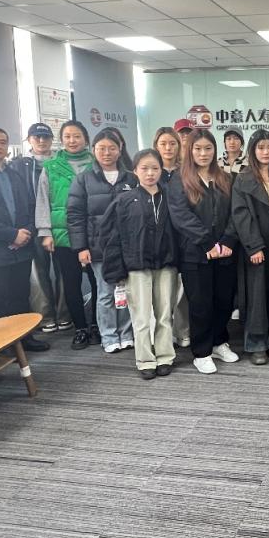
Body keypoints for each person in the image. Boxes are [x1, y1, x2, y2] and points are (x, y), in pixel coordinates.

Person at [167, 128, 240, 374]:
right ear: (189, 151)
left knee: (224, 301)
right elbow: (181, 216)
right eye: (197, 149)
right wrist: (208, 243)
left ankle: (219, 342)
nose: (203, 153)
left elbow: (235, 212)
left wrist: (228, 240)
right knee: (201, 304)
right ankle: (202, 352)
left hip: (225, 252)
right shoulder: (179, 179)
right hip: (196, 253)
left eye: (208, 148)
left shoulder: (225, 178)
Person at [101, 149, 178, 380]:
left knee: (164, 314)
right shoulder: (124, 200)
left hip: (166, 264)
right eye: (144, 168)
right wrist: (116, 269)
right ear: (135, 171)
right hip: (136, 266)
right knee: (141, 317)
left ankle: (165, 356)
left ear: (161, 170)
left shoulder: (171, 197)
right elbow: (112, 237)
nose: (150, 173)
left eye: (155, 168)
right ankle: (145, 360)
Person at [0, 125, 46, 351]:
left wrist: (26, 233)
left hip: (22, 248)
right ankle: (3, 346)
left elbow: (31, 206)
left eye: (2, 142)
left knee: (21, 295)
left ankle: (25, 339)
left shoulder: (15, 174)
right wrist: (11, 235)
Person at [67, 128, 137, 353]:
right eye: (101, 148)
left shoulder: (131, 178)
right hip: (99, 247)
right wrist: (81, 247)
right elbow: (75, 215)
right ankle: (109, 336)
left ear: (120, 150)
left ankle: (126, 333)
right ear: (93, 150)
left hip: (127, 247)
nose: (107, 153)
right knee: (105, 292)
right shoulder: (83, 179)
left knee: (125, 291)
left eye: (112, 148)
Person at [36, 120, 94, 349]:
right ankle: (80, 328)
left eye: (77, 136)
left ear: (86, 139)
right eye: (67, 136)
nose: (72, 140)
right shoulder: (51, 166)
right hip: (63, 234)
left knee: (97, 281)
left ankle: (96, 325)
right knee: (71, 282)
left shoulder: (96, 163)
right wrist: (45, 231)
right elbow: (42, 200)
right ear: (61, 140)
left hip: (94, 233)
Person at [232, 129, 269, 364]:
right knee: (257, 295)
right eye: (261, 148)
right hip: (256, 244)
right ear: (253, 151)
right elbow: (240, 215)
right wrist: (254, 246)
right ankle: (256, 343)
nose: (266, 152)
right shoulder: (243, 179)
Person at [10, 122, 65, 335]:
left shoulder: (61, 162)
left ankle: (65, 314)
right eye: (36, 137)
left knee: (64, 271)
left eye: (45, 137)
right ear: (29, 140)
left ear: (52, 140)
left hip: (61, 224)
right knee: (38, 272)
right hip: (32, 225)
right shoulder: (18, 165)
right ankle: (44, 316)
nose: (41, 141)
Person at [152, 125, 189, 348]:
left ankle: (183, 331)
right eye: (163, 143)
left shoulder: (186, 171)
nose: (168, 148)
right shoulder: (151, 171)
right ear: (156, 146)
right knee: (162, 291)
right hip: (158, 238)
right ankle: (162, 336)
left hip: (183, 236)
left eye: (172, 143)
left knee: (184, 289)